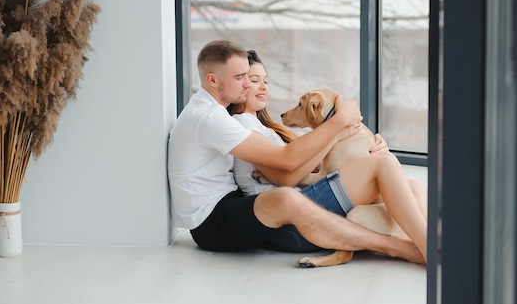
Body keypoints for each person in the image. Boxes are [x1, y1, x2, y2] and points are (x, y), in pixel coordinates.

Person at [167, 39, 424, 264]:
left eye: (256, 79)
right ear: (212, 80)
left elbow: (302, 166)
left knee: (399, 174)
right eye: (243, 78)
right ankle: (413, 249)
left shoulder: (228, 118)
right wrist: (338, 123)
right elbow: (287, 167)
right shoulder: (212, 117)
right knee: (291, 196)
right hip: (213, 221)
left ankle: (431, 238)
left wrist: (352, 140)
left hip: (232, 207)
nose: (250, 85)